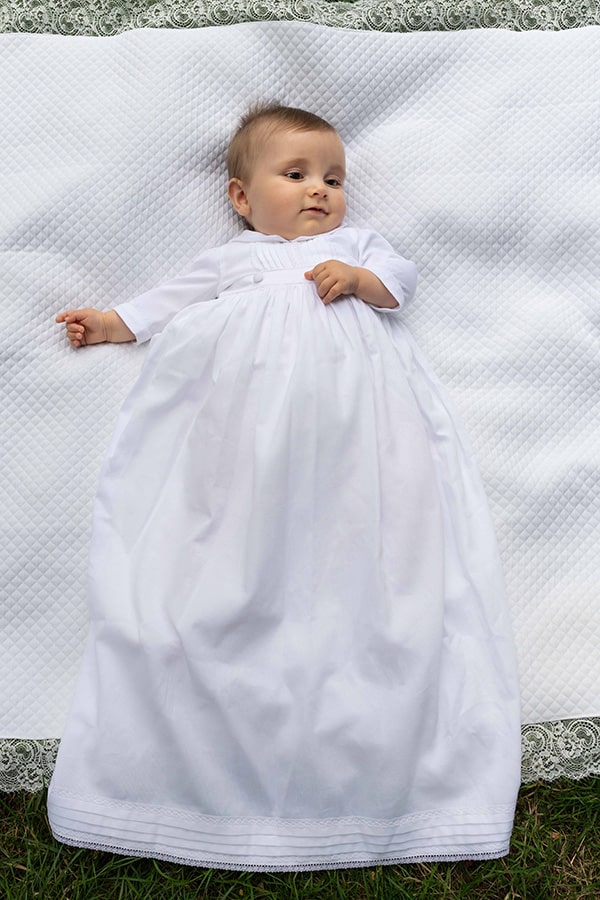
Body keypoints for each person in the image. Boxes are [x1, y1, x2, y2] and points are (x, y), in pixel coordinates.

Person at [48, 104, 521, 871]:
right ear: (242, 198)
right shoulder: (235, 260)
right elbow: (171, 299)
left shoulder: (352, 245)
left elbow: (399, 283)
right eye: (295, 175)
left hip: (354, 416)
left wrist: (359, 276)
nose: (319, 192)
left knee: (373, 525)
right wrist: (112, 322)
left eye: (333, 179)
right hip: (247, 419)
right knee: (229, 525)